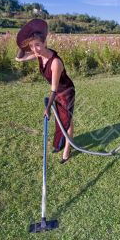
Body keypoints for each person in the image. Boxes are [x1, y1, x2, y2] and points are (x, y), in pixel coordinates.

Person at [15, 19, 75, 164]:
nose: (35, 49)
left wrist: (47, 109)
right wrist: (23, 44)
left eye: (38, 45)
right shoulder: (39, 54)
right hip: (57, 92)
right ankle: (60, 144)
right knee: (61, 120)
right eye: (32, 46)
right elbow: (19, 58)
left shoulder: (55, 63)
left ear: (45, 43)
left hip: (65, 93)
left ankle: (66, 151)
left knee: (67, 121)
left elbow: (54, 89)